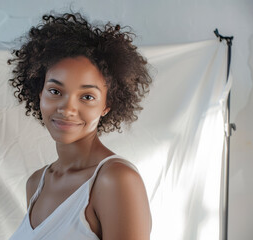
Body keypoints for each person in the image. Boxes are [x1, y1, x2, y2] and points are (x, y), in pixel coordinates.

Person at [8, 12, 152, 240]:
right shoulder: (36, 183)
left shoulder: (115, 180)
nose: (67, 109)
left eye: (87, 97)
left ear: (108, 104)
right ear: (39, 93)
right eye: (55, 91)